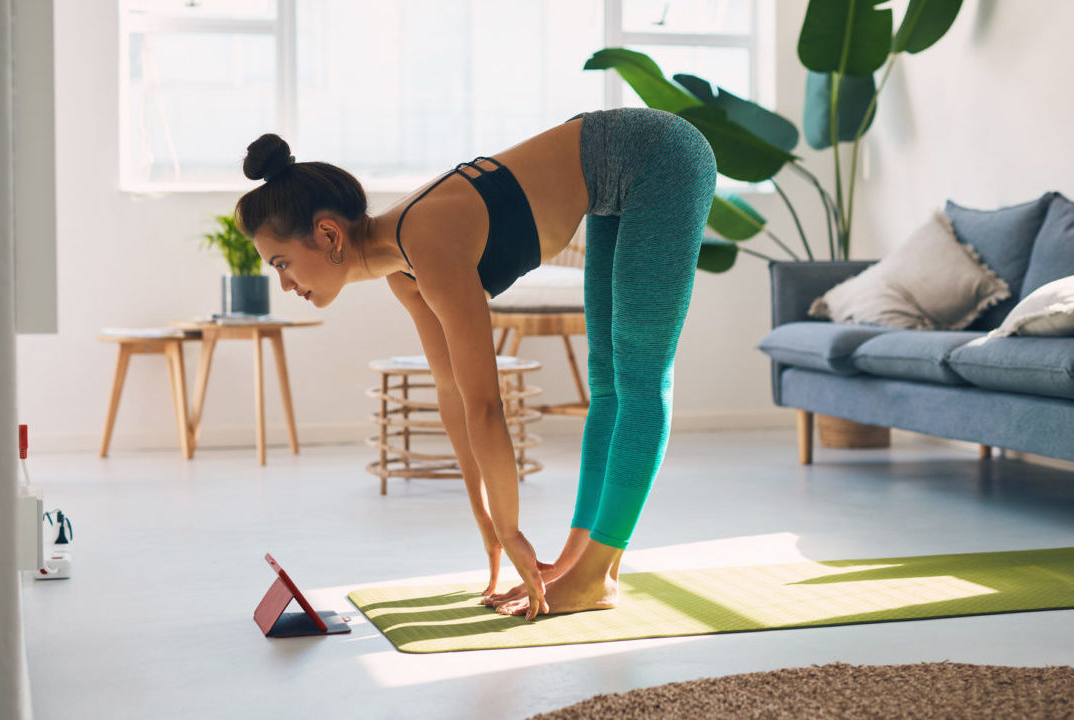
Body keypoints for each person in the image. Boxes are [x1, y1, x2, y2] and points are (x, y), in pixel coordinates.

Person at [235, 108, 716, 620]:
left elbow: (487, 406)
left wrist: (512, 532)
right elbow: (454, 393)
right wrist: (487, 517)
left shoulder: (427, 243)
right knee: (607, 383)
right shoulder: (403, 269)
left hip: (661, 157)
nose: (285, 284)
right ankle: (577, 561)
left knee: (639, 376)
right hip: (612, 178)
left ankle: (597, 575)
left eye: (281, 263)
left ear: (329, 236)